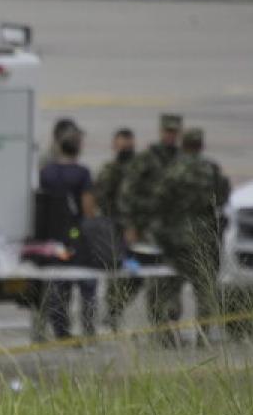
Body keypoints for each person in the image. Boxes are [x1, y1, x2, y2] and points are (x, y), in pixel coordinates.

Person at [152, 128, 230, 345]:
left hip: (175, 238)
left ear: (183, 144)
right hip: (204, 236)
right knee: (204, 287)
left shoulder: (172, 169)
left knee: (170, 287)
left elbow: (159, 201)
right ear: (201, 145)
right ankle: (202, 336)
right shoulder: (211, 170)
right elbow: (222, 199)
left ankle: (170, 334)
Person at [119, 113, 184, 340]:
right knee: (154, 278)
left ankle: (170, 322)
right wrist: (130, 225)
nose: (170, 136)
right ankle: (159, 329)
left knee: (174, 278)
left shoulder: (182, 159)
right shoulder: (147, 159)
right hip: (150, 229)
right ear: (161, 131)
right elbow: (127, 191)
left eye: (174, 132)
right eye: (167, 131)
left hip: (176, 230)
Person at [37, 125, 98, 339]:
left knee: (57, 285)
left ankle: (60, 330)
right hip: (76, 237)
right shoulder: (82, 173)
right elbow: (88, 207)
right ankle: (89, 329)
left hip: (53, 238)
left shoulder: (45, 173)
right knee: (87, 284)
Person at [93, 128, 139, 331]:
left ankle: (115, 309)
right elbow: (100, 198)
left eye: (128, 144)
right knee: (117, 272)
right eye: (122, 144)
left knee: (138, 274)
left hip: (138, 230)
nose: (125, 148)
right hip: (115, 230)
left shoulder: (140, 169)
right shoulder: (108, 170)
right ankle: (113, 312)